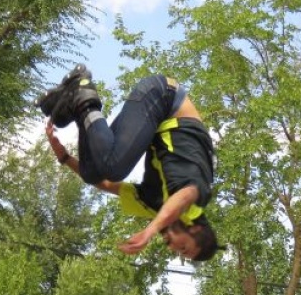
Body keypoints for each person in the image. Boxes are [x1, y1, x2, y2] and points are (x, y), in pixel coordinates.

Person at [42, 67, 218, 260]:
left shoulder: (154, 206)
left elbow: (105, 184)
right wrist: (150, 231)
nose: (173, 248)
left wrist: (65, 157)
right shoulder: (195, 200)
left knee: (91, 173)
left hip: (154, 116)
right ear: (196, 229)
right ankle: (82, 93)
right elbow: (184, 195)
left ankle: (75, 105)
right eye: (183, 248)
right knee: (115, 167)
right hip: (165, 98)